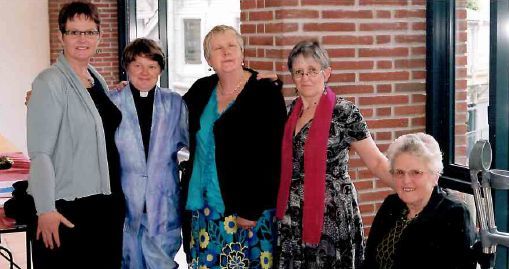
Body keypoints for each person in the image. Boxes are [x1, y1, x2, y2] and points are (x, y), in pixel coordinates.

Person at [275, 40, 393, 268]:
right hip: (292, 213)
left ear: (326, 73)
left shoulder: (345, 113)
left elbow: (377, 162)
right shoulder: (291, 111)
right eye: (298, 72)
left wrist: (408, 185)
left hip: (331, 214)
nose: (305, 77)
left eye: (312, 70)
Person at [26, 1, 125, 268]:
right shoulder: (49, 82)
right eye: (74, 32)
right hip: (69, 207)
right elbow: (40, 153)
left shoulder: (95, 78)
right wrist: (45, 209)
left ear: (99, 36)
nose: (82, 39)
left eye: (89, 32)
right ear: (61, 36)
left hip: (105, 204)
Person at [181, 25, 287, 268]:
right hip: (205, 207)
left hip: (246, 211)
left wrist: (252, 209)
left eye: (232, 46)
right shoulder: (201, 90)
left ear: (242, 53)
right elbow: (166, 110)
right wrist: (132, 90)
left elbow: (273, 157)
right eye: (218, 48)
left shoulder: (264, 92)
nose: (226, 52)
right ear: (209, 59)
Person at [108, 38, 188, 269]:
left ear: (160, 70)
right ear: (127, 67)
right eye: (137, 65)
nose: (145, 72)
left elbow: (197, 143)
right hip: (125, 203)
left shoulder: (174, 103)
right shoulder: (112, 102)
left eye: (152, 66)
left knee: (162, 263)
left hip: (163, 203)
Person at [362, 133, 476, 269]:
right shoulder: (391, 205)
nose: (406, 180)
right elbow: (369, 262)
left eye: (416, 172)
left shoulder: (454, 214)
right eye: (399, 172)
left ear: (435, 176)